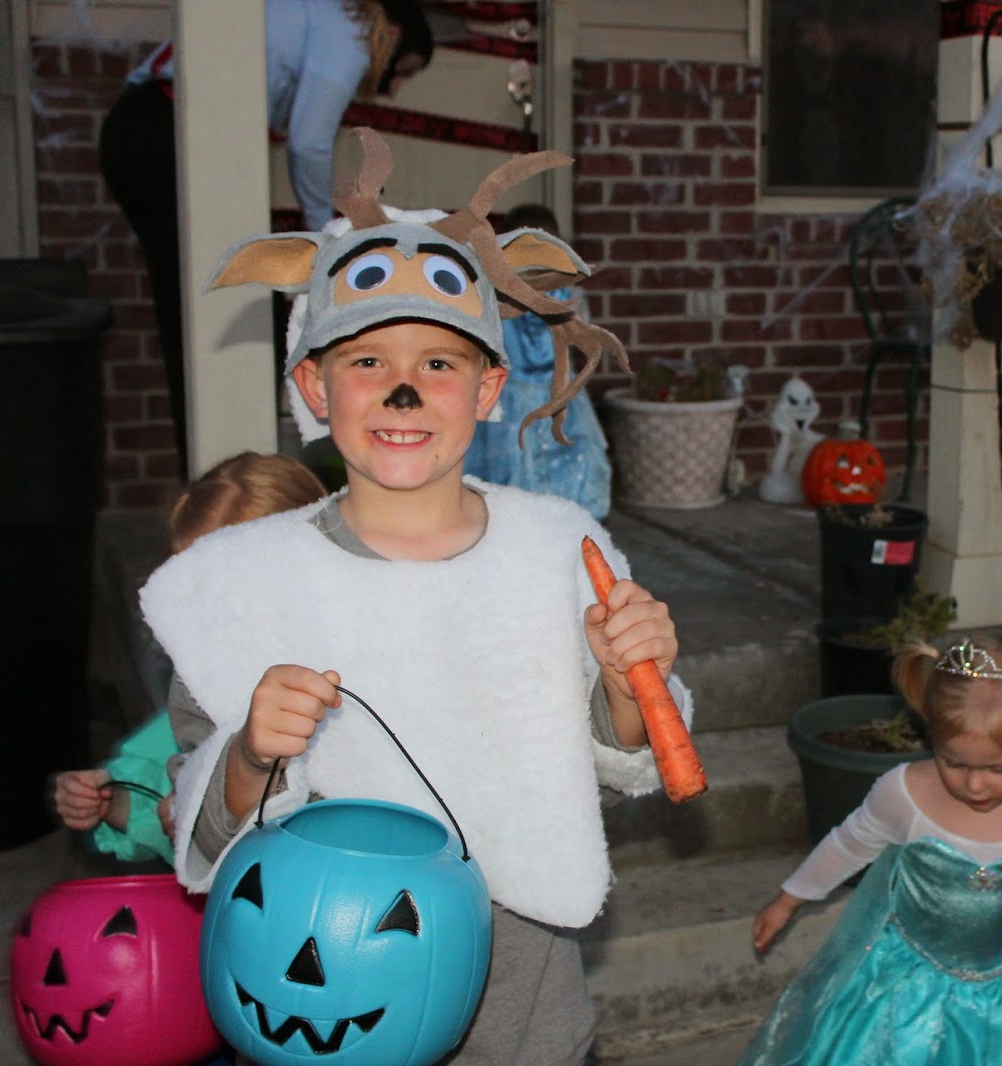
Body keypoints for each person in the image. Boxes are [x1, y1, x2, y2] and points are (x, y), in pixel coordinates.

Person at [140, 134, 686, 1064]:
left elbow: (614, 768)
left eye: (440, 362)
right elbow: (204, 827)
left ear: (489, 389)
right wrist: (251, 754)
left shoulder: (559, 549)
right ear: (311, 385)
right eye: (366, 362)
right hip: (321, 1016)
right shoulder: (239, 583)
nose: (403, 390)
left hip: (527, 1024)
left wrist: (630, 685)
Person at [739, 635, 1002, 1066]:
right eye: (954, 762)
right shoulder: (904, 793)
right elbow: (848, 844)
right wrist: (790, 898)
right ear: (932, 735)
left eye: (999, 768)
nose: (975, 785)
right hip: (910, 987)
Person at [99, 0, 434, 472]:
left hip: (142, 129)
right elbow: (309, 142)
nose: (393, 88)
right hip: (166, 132)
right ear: (393, 35)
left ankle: (208, 471)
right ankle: (231, 473)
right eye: (404, 71)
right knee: (240, 310)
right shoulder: (353, 33)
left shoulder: (319, 17)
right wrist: (326, 238)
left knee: (193, 315)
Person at [52, 453, 328, 864]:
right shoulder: (202, 686)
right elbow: (170, 783)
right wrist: (121, 804)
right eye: (200, 589)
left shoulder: (351, 669)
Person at [462, 203, 613, 519]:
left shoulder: (497, 295)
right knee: (525, 462)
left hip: (528, 398)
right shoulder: (506, 296)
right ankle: (550, 520)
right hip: (530, 397)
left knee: (542, 459)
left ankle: (551, 520)